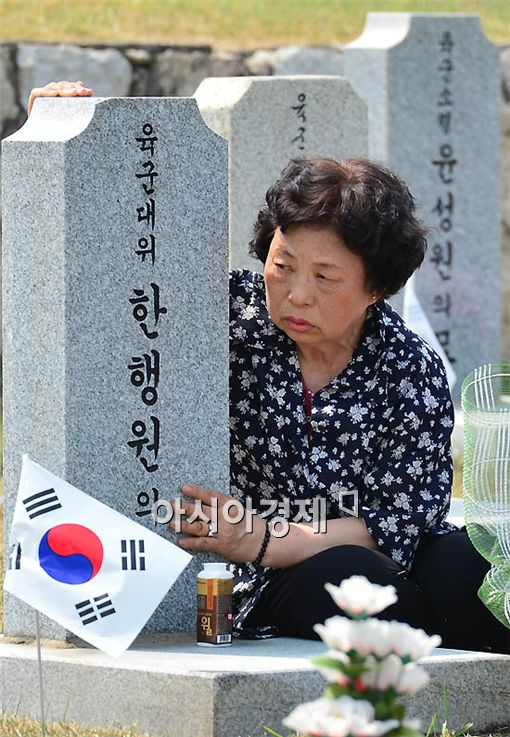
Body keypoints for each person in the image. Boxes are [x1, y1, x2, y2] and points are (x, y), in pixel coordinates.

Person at [27, 82, 509, 654]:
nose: (297, 294)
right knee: (353, 581)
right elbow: (114, 270)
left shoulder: (409, 367)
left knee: (475, 566)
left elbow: (397, 520)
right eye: (283, 265)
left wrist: (268, 536)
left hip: (349, 551)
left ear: (377, 287)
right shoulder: (225, 316)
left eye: (325, 277)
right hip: (260, 578)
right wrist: (58, 145)